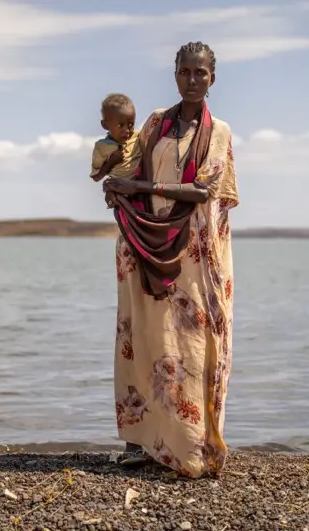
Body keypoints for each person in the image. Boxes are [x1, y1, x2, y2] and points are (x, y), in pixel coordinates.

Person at [103, 41, 238, 478]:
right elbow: (131, 167)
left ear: (212, 79)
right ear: (175, 74)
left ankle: (188, 445)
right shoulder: (156, 123)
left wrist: (139, 191)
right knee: (142, 335)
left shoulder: (219, 132)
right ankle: (140, 443)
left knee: (190, 342)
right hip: (143, 243)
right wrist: (112, 181)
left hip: (194, 252)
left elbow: (203, 191)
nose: (193, 80)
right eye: (186, 72)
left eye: (202, 73)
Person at [90, 93, 142, 208]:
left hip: (142, 187)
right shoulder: (102, 147)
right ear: (105, 125)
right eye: (120, 125)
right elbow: (96, 177)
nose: (127, 130)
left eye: (130, 124)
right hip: (119, 192)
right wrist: (111, 162)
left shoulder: (138, 137)